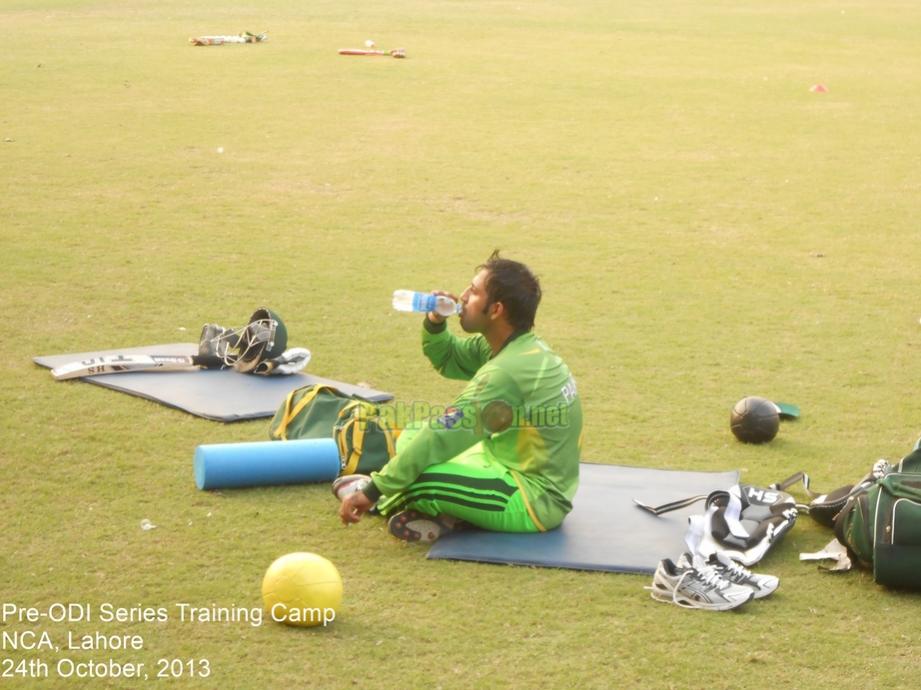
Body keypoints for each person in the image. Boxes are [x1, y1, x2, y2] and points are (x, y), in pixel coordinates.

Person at [336, 252, 583, 542]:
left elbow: (444, 434)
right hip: (499, 460)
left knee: (421, 477)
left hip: (533, 498)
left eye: (474, 291)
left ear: (496, 310)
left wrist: (373, 491)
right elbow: (450, 358)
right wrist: (435, 322)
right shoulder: (516, 348)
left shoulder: (507, 372)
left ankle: (380, 501)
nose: (463, 296)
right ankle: (448, 517)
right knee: (412, 437)